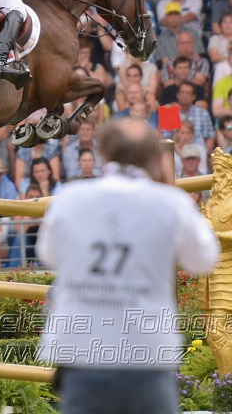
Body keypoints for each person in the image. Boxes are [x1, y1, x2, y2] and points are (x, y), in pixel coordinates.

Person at [36, 117, 218, 414]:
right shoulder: (170, 202)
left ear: (103, 153)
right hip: (146, 353)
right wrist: (166, 189)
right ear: (156, 158)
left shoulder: (69, 198)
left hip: (83, 353)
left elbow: (49, 255)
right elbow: (204, 259)